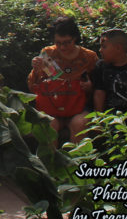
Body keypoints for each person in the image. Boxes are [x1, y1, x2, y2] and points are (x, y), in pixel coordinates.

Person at [28, 17, 97, 146]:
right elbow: (35, 86)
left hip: (79, 107)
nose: (62, 47)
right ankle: (51, 163)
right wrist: (36, 70)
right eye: (58, 43)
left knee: (80, 124)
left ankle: (78, 163)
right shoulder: (48, 54)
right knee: (48, 124)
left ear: (75, 38)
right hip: (52, 106)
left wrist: (90, 87)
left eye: (66, 42)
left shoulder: (89, 57)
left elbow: (99, 86)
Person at [91, 29, 127, 135]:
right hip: (111, 114)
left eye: (104, 46)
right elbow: (99, 93)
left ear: (118, 48)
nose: (100, 50)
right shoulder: (101, 67)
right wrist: (99, 119)